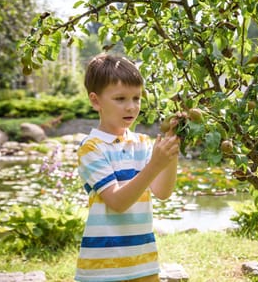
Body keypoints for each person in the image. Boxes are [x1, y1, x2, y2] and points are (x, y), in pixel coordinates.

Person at [75, 53, 181, 282]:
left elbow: (162, 193)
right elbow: (118, 202)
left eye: (136, 98)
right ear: (96, 101)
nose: (131, 107)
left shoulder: (142, 144)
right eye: (120, 98)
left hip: (143, 263)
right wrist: (155, 164)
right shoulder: (91, 148)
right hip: (102, 269)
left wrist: (170, 153)